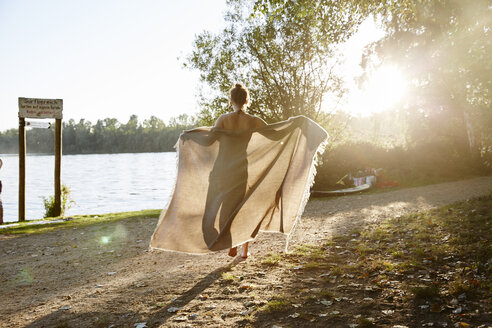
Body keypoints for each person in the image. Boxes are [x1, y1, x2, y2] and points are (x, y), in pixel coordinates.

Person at [214, 83, 267, 258]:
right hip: (241, 167)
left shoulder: (223, 119)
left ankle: (230, 241)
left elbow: (209, 139)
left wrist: (190, 135)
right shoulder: (253, 120)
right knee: (242, 206)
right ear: (247, 100)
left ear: (231, 101)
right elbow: (274, 134)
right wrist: (291, 126)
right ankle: (243, 250)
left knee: (226, 207)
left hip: (224, 167)